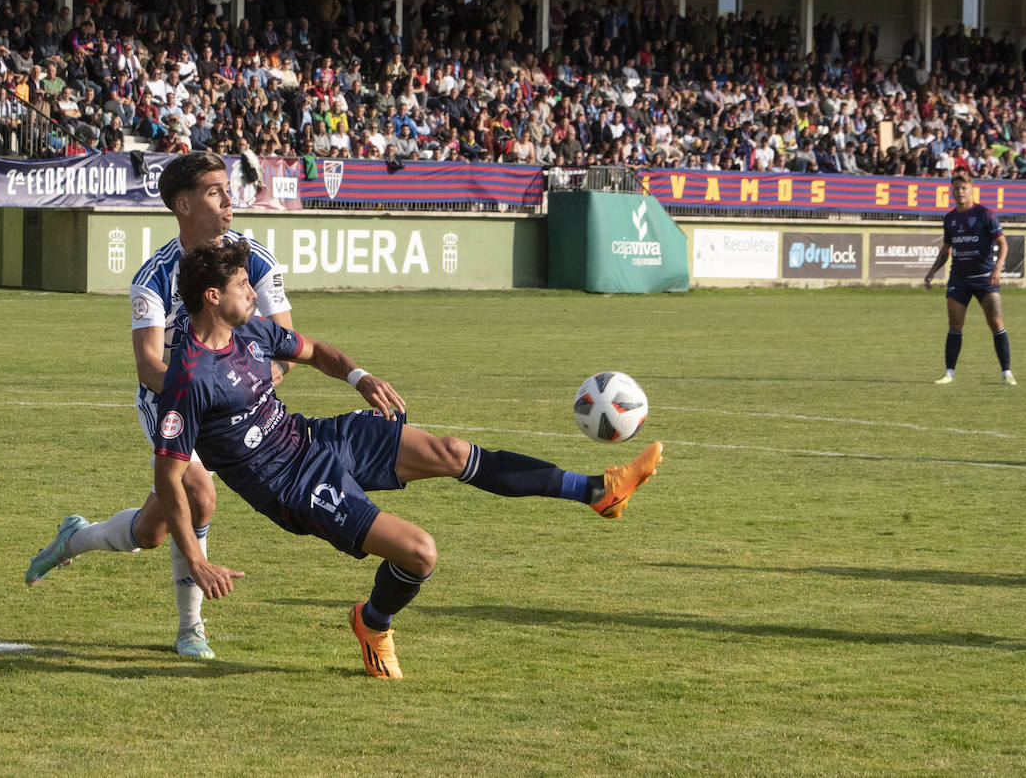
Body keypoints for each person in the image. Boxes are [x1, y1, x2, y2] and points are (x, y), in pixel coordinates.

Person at [116, 238, 661, 678]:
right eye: (241, 286)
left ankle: (597, 491)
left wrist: (359, 377)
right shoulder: (188, 378)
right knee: (421, 554)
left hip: (315, 437)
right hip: (292, 487)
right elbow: (169, 477)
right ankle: (373, 622)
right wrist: (196, 558)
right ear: (212, 296)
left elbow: (315, 351)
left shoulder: (252, 331)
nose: (253, 294)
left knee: (451, 452)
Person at [25, 151, 294, 661]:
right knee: (200, 494)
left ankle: (74, 539)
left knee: (151, 532)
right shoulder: (154, 275)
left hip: (232, 406)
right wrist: (199, 388)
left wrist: (253, 382)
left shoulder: (255, 259)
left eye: (228, 191)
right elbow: (149, 366)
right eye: (216, 193)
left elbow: (285, 342)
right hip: (170, 402)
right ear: (184, 204)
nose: (229, 203)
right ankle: (192, 628)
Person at [925, 172, 1014, 385]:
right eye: (956, 188)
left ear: (971, 189)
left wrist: (997, 269)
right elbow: (946, 248)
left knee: (996, 322)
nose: (960, 192)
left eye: (964, 188)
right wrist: (931, 271)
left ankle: (1007, 373)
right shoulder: (950, 218)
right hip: (959, 279)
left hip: (985, 278)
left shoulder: (986, 214)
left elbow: (1003, 244)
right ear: (952, 192)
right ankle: (949, 373)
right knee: (955, 324)